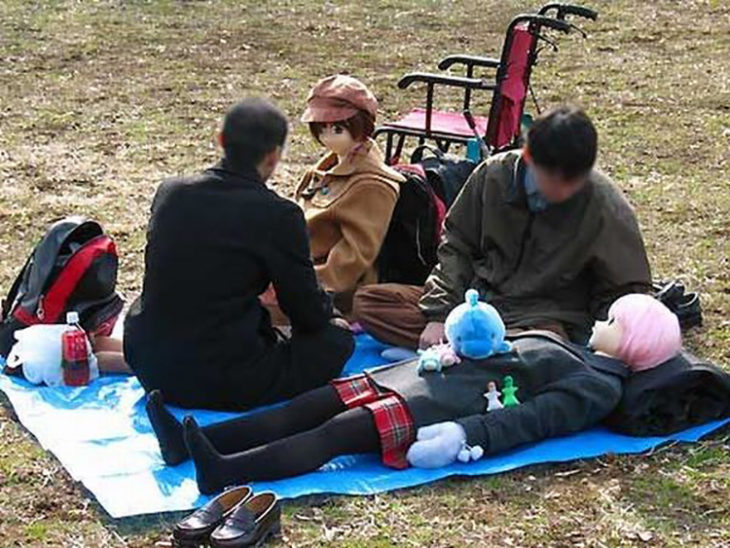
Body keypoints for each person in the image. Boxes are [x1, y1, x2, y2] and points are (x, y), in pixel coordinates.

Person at [145, 294, 682, 494]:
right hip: (421, 378)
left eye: (612, 320)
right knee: (309, 405)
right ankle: (188, 444)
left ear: (631, 341)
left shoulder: (596, 386)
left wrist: (465, 436)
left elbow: (535, 420)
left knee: (334, 436)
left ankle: (223, 471)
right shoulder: (574, 349)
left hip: (441, 408)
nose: (600, 320)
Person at [352, 106, 653, 349]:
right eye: (556, 179)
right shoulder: (493, 175)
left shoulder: (602, 202)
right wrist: (441, 314)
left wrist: (602, 344)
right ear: (529, 158)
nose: (565, 190)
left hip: (539, 319)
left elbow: (626, 290)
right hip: (474, 305)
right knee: (370, 303)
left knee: (546, 345)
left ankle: (482, 352)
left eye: (573, 181)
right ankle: (483, 351)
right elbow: (457, 245)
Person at [123, 98, 354, 411]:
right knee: (336, 339)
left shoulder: (171, 192)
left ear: (221, 140)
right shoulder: (279, 215)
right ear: (274, 156)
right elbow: (307, 311)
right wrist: (332, 315)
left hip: (148, 363)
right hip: (224, 376)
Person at [263, 75, 405, 322]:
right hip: (299, 270)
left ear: (363, 125)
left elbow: (352, 260)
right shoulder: (326, 171)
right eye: (321, 129)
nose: (328, 137)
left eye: (337, 129)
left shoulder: (372, 184)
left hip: (334, 294)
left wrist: (296, 286)